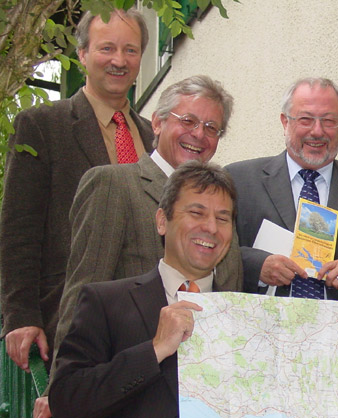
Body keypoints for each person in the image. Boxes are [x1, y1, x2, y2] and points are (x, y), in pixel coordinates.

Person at [52, 75, 242, 377]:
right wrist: (59, 391)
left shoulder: (223, 202)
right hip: (129, 387)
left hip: (206, 388)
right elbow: (81, 294)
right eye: (189, 120)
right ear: (157, 122)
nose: (199, 135)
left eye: (211, 128)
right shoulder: (113, 184)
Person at [0, 8, 153, 373]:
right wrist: (20, 315)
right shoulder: (42, 125)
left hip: (148, 327)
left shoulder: (154, 137)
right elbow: (19, 229)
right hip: (72, 323)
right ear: (82, 54)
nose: (119, 60)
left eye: (130, 50)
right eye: (107, 49)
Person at [49, 160, 237, 417]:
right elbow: (66, 400)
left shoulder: (245, 316)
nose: (212, 228)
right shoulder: (105, 302)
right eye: (197, 213)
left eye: (223, 218)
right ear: (162, 221)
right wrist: (155, 350)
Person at [225, 77, 338, 302]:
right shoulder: (239, 180)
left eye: (328, 120)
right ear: (285, 122)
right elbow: (214, 249)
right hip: (261, 328)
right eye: (305, 119)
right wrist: (257, 266)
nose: (317, 131)